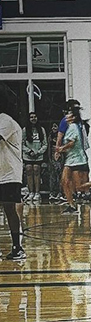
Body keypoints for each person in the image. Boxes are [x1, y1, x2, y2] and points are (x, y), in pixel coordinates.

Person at [0, 83, 25, 261]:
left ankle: (18, 247)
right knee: (8, 209)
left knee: (9, 209)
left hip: (9, 173)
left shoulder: (5, 120)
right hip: (3, 172)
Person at [56, 107, 91, 215]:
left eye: (69, 114)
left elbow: (72, 143)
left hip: (77, 159)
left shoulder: (73, 127)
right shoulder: (72, 126)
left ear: (73, 117)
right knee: (64, 181)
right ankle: (71, 205)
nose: (66, 116)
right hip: (70, 159)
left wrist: (61, 148)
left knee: (78, 186)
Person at [21, 112, 47, 203]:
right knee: (28, 169)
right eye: (31, 117)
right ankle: (31, 192)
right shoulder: (25, 130)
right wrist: (29, 151)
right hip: (28, 155)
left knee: (36, 169)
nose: (33, 119)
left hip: (38, 155)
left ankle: (37, 192)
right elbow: (22, 144)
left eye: (35, 117)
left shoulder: (41, 129)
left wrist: (38, 152)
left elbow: (45, 144)